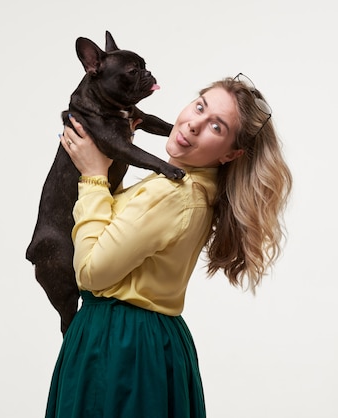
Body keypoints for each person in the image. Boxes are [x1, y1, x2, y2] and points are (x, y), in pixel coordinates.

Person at [45, 74, 293, 418]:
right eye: (200, 106)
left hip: (120, 345)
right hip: (149, 342)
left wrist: (93, 177)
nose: (193, 124)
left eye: (216, 127)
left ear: (231, 154)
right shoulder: (191, 189)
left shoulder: (172, 194)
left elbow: (91, 272)